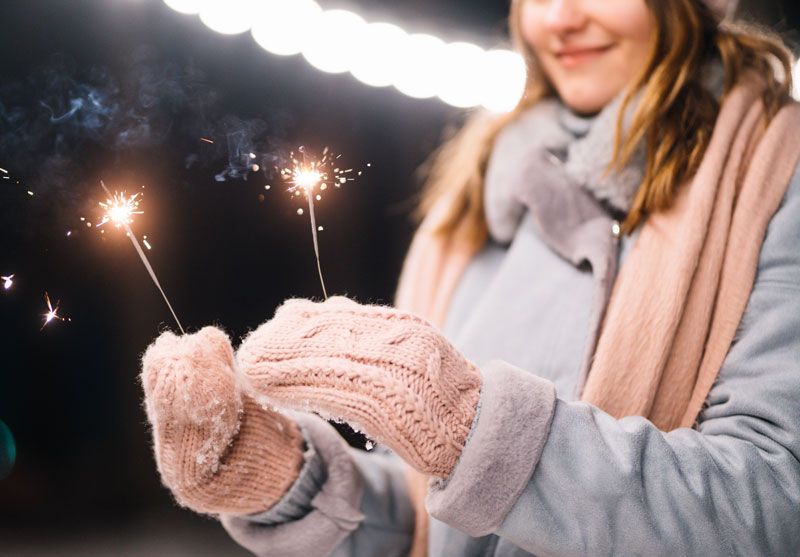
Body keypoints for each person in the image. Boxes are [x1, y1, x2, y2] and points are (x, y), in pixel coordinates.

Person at [140, 0, 800, 555]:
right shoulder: (482, 194)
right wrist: (285, 479)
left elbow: (776, 505)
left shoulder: (775, 175)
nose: (559, 18)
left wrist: (471, 425)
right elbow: (442, 520)